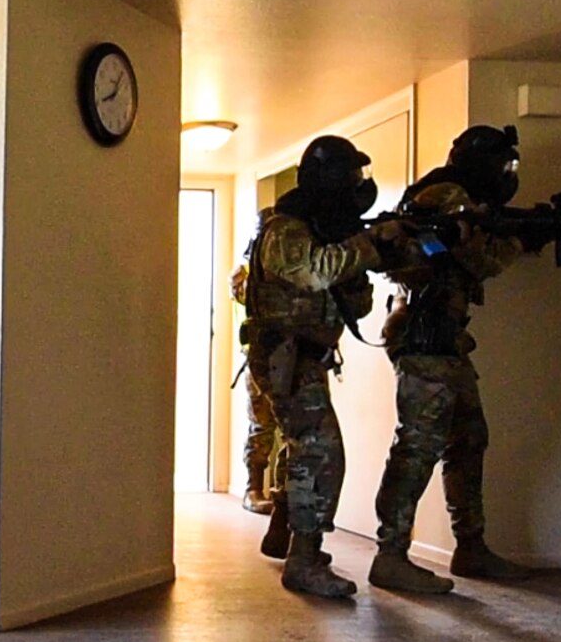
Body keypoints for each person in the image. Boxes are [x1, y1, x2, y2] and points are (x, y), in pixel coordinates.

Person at [368, 125, 535, 594]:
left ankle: (471, 547)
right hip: (425, 337)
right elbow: (481, 259)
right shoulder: (448, 195)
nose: (507, 175)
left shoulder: (453, 194)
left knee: (467, 438)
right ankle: (391, 554)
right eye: (503, 164)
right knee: (418, 446)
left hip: (444, 341)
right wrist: (520, 240)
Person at [242, 135, 406, 598]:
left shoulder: (318, 228)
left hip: (303, 358)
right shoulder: (286, 230)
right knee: (321, 454)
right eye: (350, 176)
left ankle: (285, 533)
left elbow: (350, 296)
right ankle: (305, 560)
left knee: (303, 449)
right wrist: (368, 246)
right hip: (286, 357)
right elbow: (315, 272)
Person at [228, 244, 282, 515]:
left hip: (282, 357)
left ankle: (282, 491)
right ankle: (254, 489)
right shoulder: (247, 276)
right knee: (262, 427)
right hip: (261, 360)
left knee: (288, 431)